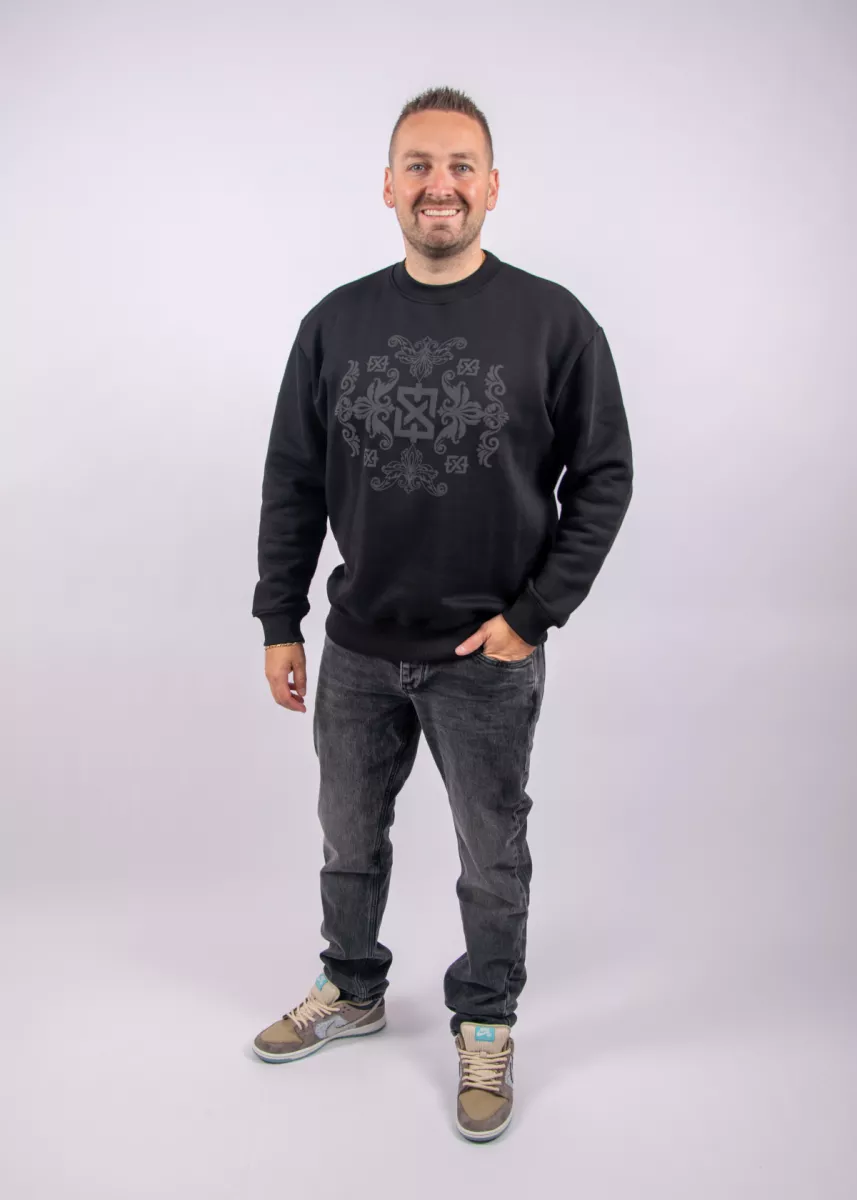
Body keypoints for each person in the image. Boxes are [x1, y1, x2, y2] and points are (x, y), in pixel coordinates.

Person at [249, 86, 633, 1143]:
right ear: (387, 186)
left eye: (460, 166)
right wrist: (279, 619)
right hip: (357, 648)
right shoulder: (334, 323)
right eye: (418, 165)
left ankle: (486, 1019)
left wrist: (535, 614)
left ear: (492, 187)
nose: (439, 185)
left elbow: (603, 475)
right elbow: (292, 480)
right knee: (346, 838)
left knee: (490, 855)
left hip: (484, 656)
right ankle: (351, 986)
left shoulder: (554, 321)